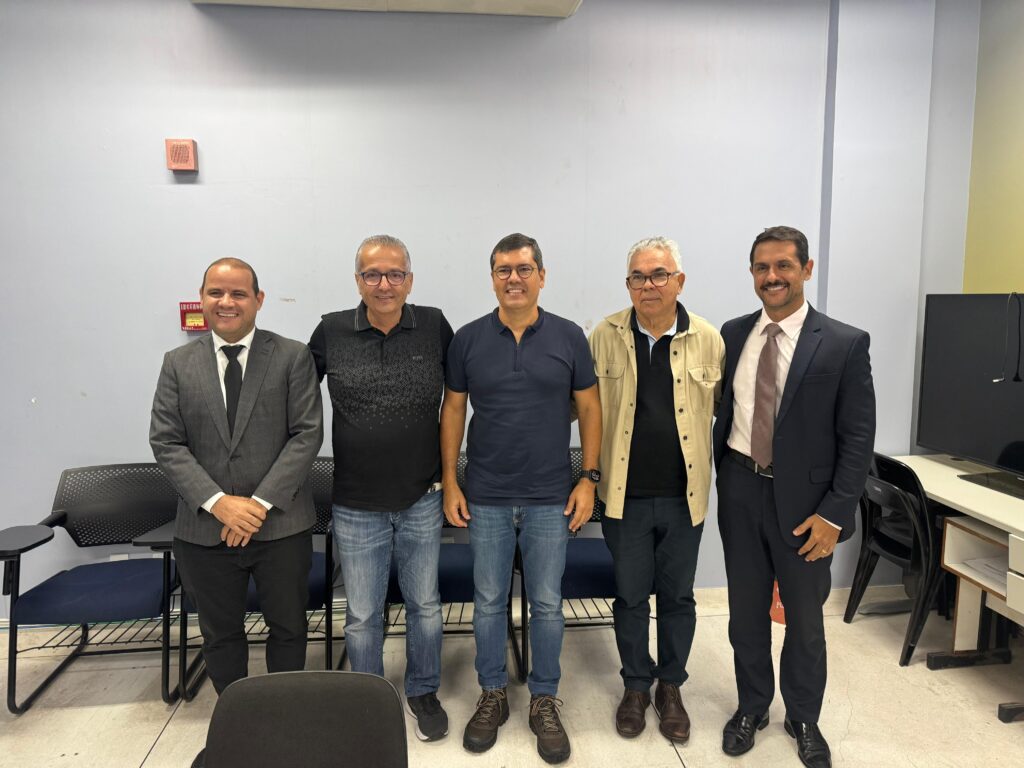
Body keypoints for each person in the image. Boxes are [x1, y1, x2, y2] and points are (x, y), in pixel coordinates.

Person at [712, 226, 875, 768]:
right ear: (752, 274)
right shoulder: (733, 334)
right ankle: (752, 706)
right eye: (762, 267)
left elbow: (858, 438)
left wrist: (835, 513)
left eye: (783, 265)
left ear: (806, 269)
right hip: (740, 489)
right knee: (745, 615)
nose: (772, 276)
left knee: (804, 622)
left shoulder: (844, 342)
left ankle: (803, 717)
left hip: (808, 508)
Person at [150, 258, 323, 765]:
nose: (226, 302)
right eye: (216, 293)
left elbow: (306, 433)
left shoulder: (291, 356)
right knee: (220, 635)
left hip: (281, 525)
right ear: (202, 298)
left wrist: (258, 504)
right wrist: (220, 503)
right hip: (205, 530)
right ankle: (240, 722)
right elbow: (166, 442)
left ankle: (286, 721)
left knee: (288, 627)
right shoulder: (177, 363)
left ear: (258, 300)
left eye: (238, 293)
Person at [441, 233, 602, 765]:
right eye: (504, 269)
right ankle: (492, 693)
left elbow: (591, 408)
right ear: (492, 278)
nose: (514, 278)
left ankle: (544, 699)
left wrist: (589, 479)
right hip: (485, 495)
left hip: (550, 497)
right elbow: (453, 410)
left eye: (524, 268)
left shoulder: (569, 336)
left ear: (542, 276)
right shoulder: (467, 339)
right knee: (488, 600)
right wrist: (451, 481)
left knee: (548, 603)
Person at [308, 235, 453, 742]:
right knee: (363, 614)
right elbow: (290, 395)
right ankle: (366, 697)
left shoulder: (434, 326)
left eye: (395, 274)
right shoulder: (331, 330)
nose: (384, 284)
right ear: (358, 281)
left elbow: (462, 396)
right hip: (356, 502)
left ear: (410, 281)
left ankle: (423, 690)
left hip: (423, 496)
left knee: (425, 606)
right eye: (372, 274)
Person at [587, 237, 724, 743]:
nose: (649, 285)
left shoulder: (708, 339)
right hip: (623, 496)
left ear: (679, 281)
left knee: (677, 597)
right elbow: (583, 410)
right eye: (638, 277)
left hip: (684, 499)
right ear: (628, 284)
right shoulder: (604, 335)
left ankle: (671, 686)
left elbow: (724, 413)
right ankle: (635, 687)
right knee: (629, 597)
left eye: (659, 275)